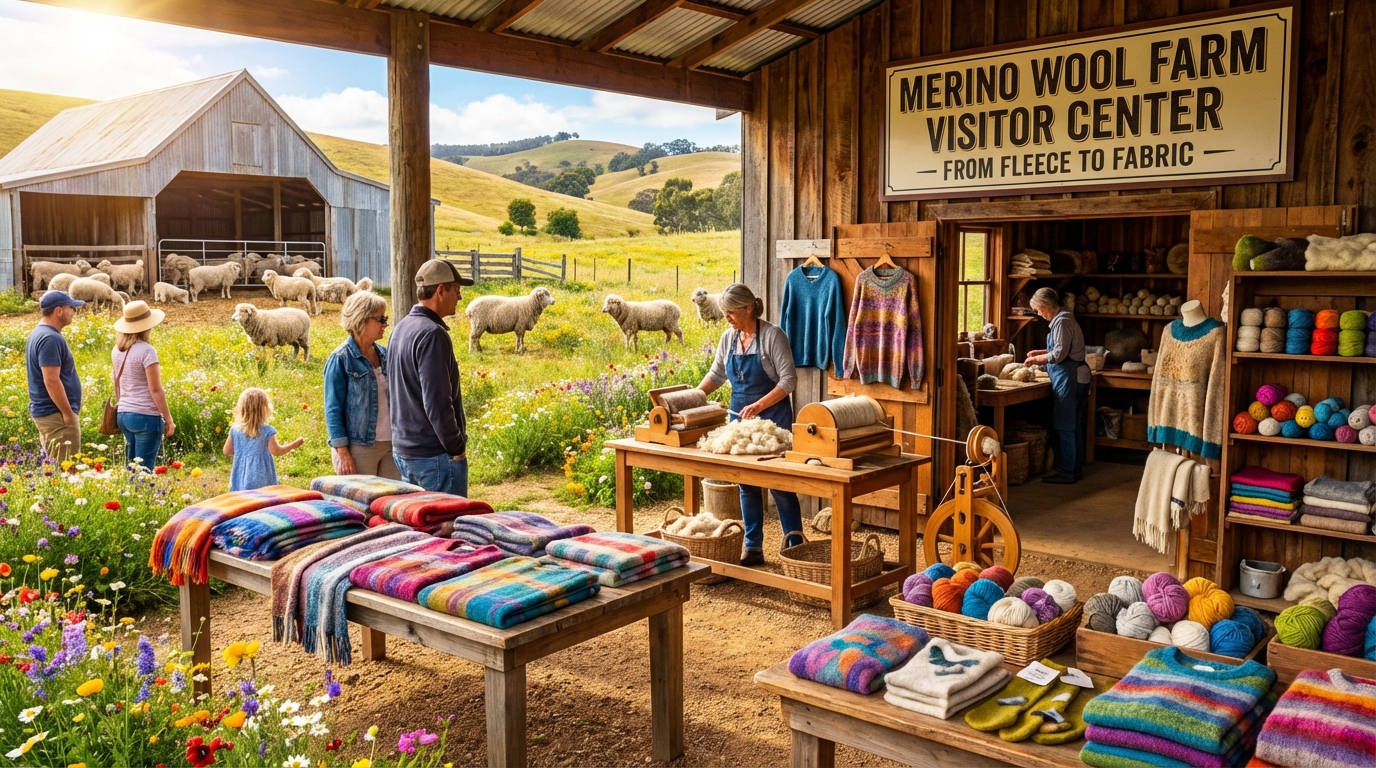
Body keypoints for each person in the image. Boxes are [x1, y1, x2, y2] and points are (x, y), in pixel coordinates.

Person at [696, 283, 803, 566]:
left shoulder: (772, 336)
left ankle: (795, 546)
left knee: (780, 484)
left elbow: (788, 380)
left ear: (748, 308)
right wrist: (694, 396)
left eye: (730, 312)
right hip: (740, 424)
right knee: (746, 484)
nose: (726, 317)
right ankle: (753, 547)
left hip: (772, 423)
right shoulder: (727, 338)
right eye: (724, 312)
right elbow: (717, 374)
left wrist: (760, 405)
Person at [387, 259, 474, 495]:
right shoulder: (432, 334)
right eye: (457, 290)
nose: (460, 297)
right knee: (447, 526)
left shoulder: (401, 328)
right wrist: (456, 447)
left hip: (406, 450)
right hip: (433, 455)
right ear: (440, 290)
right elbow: (437, 401)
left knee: (419, 526)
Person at [324, 291, 400, 479]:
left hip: (392, 445)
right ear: (361, 320)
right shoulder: (340, 359)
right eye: (380, 319)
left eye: (386, 318)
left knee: (389, 505)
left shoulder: (386, 354)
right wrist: (343, 453)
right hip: (358, 447)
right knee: (361, 507)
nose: (386, 324)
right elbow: (333, 409)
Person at [1024, 287, 1089, 484]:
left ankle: (1066, 472)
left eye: (1038, 310)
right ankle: (1075, 468)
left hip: (1069, 377)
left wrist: (1035, 361)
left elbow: (1059, 355)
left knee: (1065, 425)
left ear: (1045, 306)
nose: (1039, 314)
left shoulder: (1061, 322)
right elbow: (1061, 348)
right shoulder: (1066, 318)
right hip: (1078, 376)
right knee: (1074, 425)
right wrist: (1039, 352)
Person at [111, 300, 175, 471]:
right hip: (145, 416)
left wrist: (123, 405)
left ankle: (130, 497)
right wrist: (168, 419)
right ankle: (142, 496)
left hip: (124, 414)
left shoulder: (117, 350)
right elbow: (155, 389)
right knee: (144, 470)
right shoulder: (147, 351)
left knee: (131, 466)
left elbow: (116, 382)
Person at [26, 290, 84, 464]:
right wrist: (67, 413)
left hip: (50, 413)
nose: (73, 312)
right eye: (70, 307)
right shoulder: (50, 338)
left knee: (55, 468)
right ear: (59, 311)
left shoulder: (39, 333)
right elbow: (51, 380)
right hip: (56, 415)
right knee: (66, 469)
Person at [223, 387, 303, 491]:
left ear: (242, 408)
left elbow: (227, 450)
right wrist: (294, 444)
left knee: (243, 501)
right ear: (264, 409)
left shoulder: (235, 430)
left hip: (240, 476)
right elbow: (276, 451)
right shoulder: (267, 431)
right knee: (263, 500)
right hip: (261, 477)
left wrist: (243, 451)